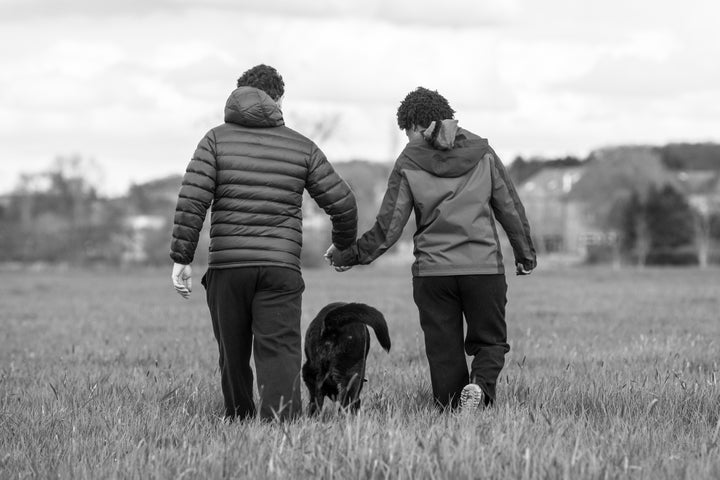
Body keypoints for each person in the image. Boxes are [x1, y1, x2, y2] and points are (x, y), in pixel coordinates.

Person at [326, 87, 536, 412]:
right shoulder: (483, 152)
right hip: (483, 269)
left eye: (407, 133)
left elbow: (388, 228)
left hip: (434, 274)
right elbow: (509, 207)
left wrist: (349, 255)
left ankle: (453, 410)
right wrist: (525, 255)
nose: (408, 140)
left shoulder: (409, 160)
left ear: (414, 126)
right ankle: (479, 389)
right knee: (491, 341)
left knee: (443, 350)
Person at [170, 64, 357, 421]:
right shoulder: (301, 146)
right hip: (279, 269)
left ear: (239, 93)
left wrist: (182, 257)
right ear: (279, 100)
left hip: (228, 268)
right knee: (281, 350)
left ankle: (239, 418)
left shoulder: (214, 139)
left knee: (233, 351)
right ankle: (280, 424)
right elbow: (344, 203)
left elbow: (192, 200)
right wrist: (343, 245)